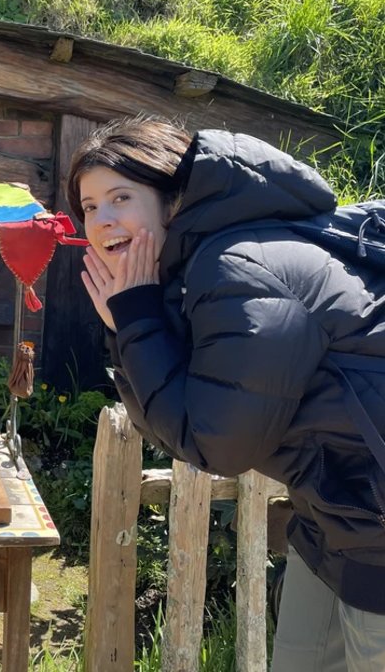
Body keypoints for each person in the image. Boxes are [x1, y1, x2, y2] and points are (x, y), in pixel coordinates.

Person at [66, 116, 385, 672]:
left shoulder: (236, 267)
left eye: (121, 197)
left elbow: (217, 446)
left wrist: (134, 322)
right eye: (90, 206)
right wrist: (130, 325)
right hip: (334, 519)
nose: (103, 221)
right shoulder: (193, 271)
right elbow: (178, 423)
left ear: (172, 200)